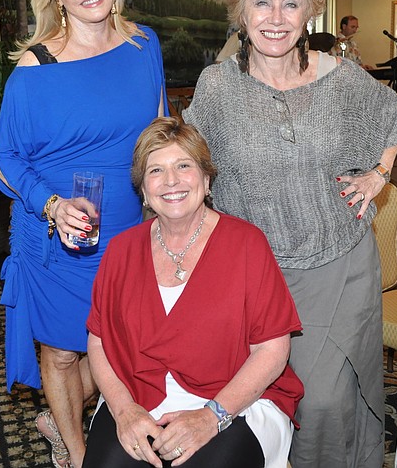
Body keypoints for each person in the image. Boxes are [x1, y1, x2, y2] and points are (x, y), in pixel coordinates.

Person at [182, 0, 397, 468]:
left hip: (339, 261)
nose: (276, 18)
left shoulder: (340, 77)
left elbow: (393, 118)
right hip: (251, 271)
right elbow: (192, 161)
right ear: (241, 11)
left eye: (291, 3)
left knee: (325, 398)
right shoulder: (217, 87)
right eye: (262, 2)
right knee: (256, 395)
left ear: (310, 10)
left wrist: (379, 174)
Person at [0, 0, 167, 468]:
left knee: (122, 344)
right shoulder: (35, 69)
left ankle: (59, 413)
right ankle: (77, 450)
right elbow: (3, 161)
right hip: (61, 233)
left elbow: (159, 129)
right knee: (64, 351)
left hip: (130, 230)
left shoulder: (143, 45)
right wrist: (52, 206)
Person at [83, 117, 303, 468]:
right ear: (143, 190)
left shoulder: (247, 244)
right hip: (137, 397)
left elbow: (272, 350)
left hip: (234, 400)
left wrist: (211, 416)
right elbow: (98, 343)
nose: (171, 180)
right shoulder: (121, 250)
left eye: (183, 166)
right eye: (156, 170)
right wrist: (123, 410)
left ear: (206, 178)